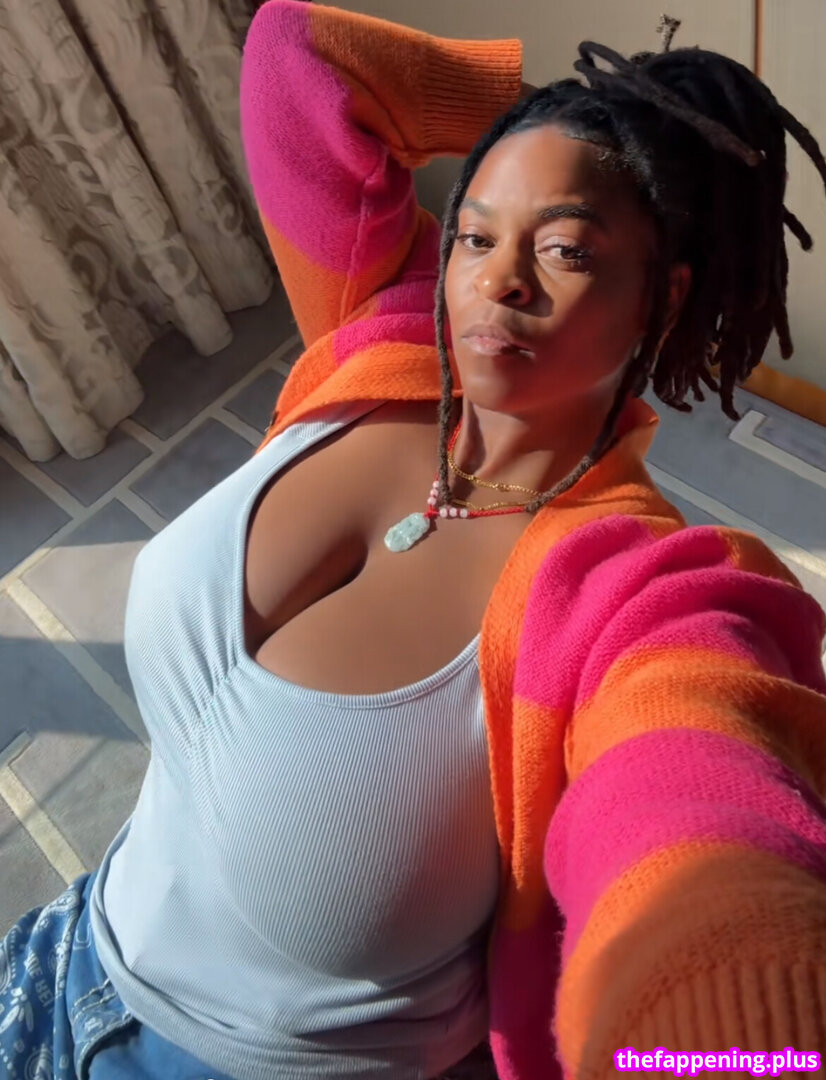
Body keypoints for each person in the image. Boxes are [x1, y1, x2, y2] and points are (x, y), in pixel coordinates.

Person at [2, 1, 826, 1078]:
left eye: (564, 247)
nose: (499, 278)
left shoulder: (641, 596)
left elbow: (696, 816)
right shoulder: (385, 334)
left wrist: (733, 1026)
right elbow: (297, 57)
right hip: (68, 953)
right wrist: (594, 119)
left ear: (659, 299)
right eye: (476, 234)